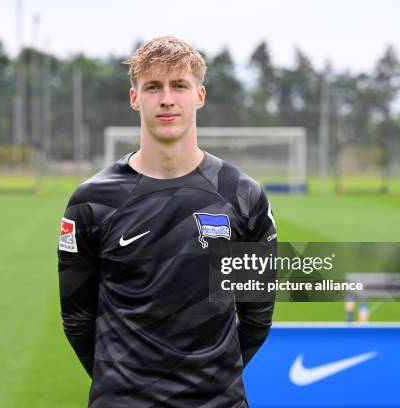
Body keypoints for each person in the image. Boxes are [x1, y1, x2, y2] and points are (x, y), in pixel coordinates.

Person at [58, 36, 276, 408]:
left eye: (179, 85)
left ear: (199, 96)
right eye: (153, 87)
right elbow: (78, 319)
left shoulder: (243, 196)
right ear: (134, 98)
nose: (167, 99)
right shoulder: (92, 201)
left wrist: (210, 381)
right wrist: (126, 385)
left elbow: (256, 317)